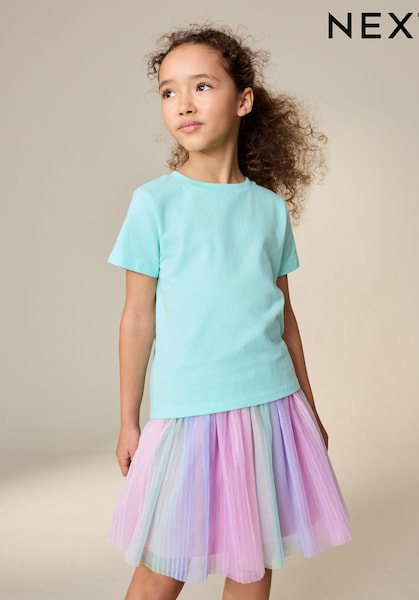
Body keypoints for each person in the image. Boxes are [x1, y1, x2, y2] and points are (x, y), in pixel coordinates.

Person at [107, 24, 351, 600]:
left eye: (202, 86)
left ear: (243, 101)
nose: (184, 104)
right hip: (190, 411)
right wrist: (129, 419)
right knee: (163, 566)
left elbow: (284, 317)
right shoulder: (155, 203)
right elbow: (137, 317)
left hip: (270, 404)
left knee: (252, 563)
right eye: (169, 91)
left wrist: (309, 408)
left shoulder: (269, 210)